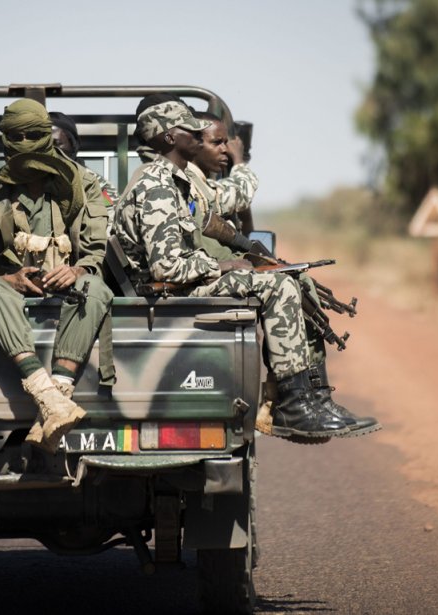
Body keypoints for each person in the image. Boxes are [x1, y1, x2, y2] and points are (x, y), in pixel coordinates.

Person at [112, 99, 353, 441]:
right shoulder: (157, 185)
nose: (198, 135)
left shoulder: (173, 181)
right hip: (167, 293)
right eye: (190, 130)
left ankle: (307, 398)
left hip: (176, 288)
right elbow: (167, 267)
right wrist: (223, 265)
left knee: (275, 278)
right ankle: (293, 405)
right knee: (276, 287)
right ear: (169, 138)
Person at [186, 112, 380, 437]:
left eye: (226, 143)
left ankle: (315, 397)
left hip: (212, 270)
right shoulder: (187, 181)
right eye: (216, 142)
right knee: (280, 285)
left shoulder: (201, 182)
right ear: (192, 144)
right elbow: (238, 194)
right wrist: (240, 162)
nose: (224, 149)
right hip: (199, 277)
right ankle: (292, 404)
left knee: (298, 280)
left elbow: (239, 227)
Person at [0, 98, 113, 453]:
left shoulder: (83, 184)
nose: (25, 143)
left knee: (95, 288)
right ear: (4, 139)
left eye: (33, 135)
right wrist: (10, 279)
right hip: (10, 295)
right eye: (16, 136)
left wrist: (75, 270)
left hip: (71, 290)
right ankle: (48, 397)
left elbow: (95, 255)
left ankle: (57, 398)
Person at [48, 111, 120, 204]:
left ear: (73, 145)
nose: (52, 150)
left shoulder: (96, 184)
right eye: (46, 145)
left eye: (57, 144)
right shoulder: (33, 182)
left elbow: (109, 211)